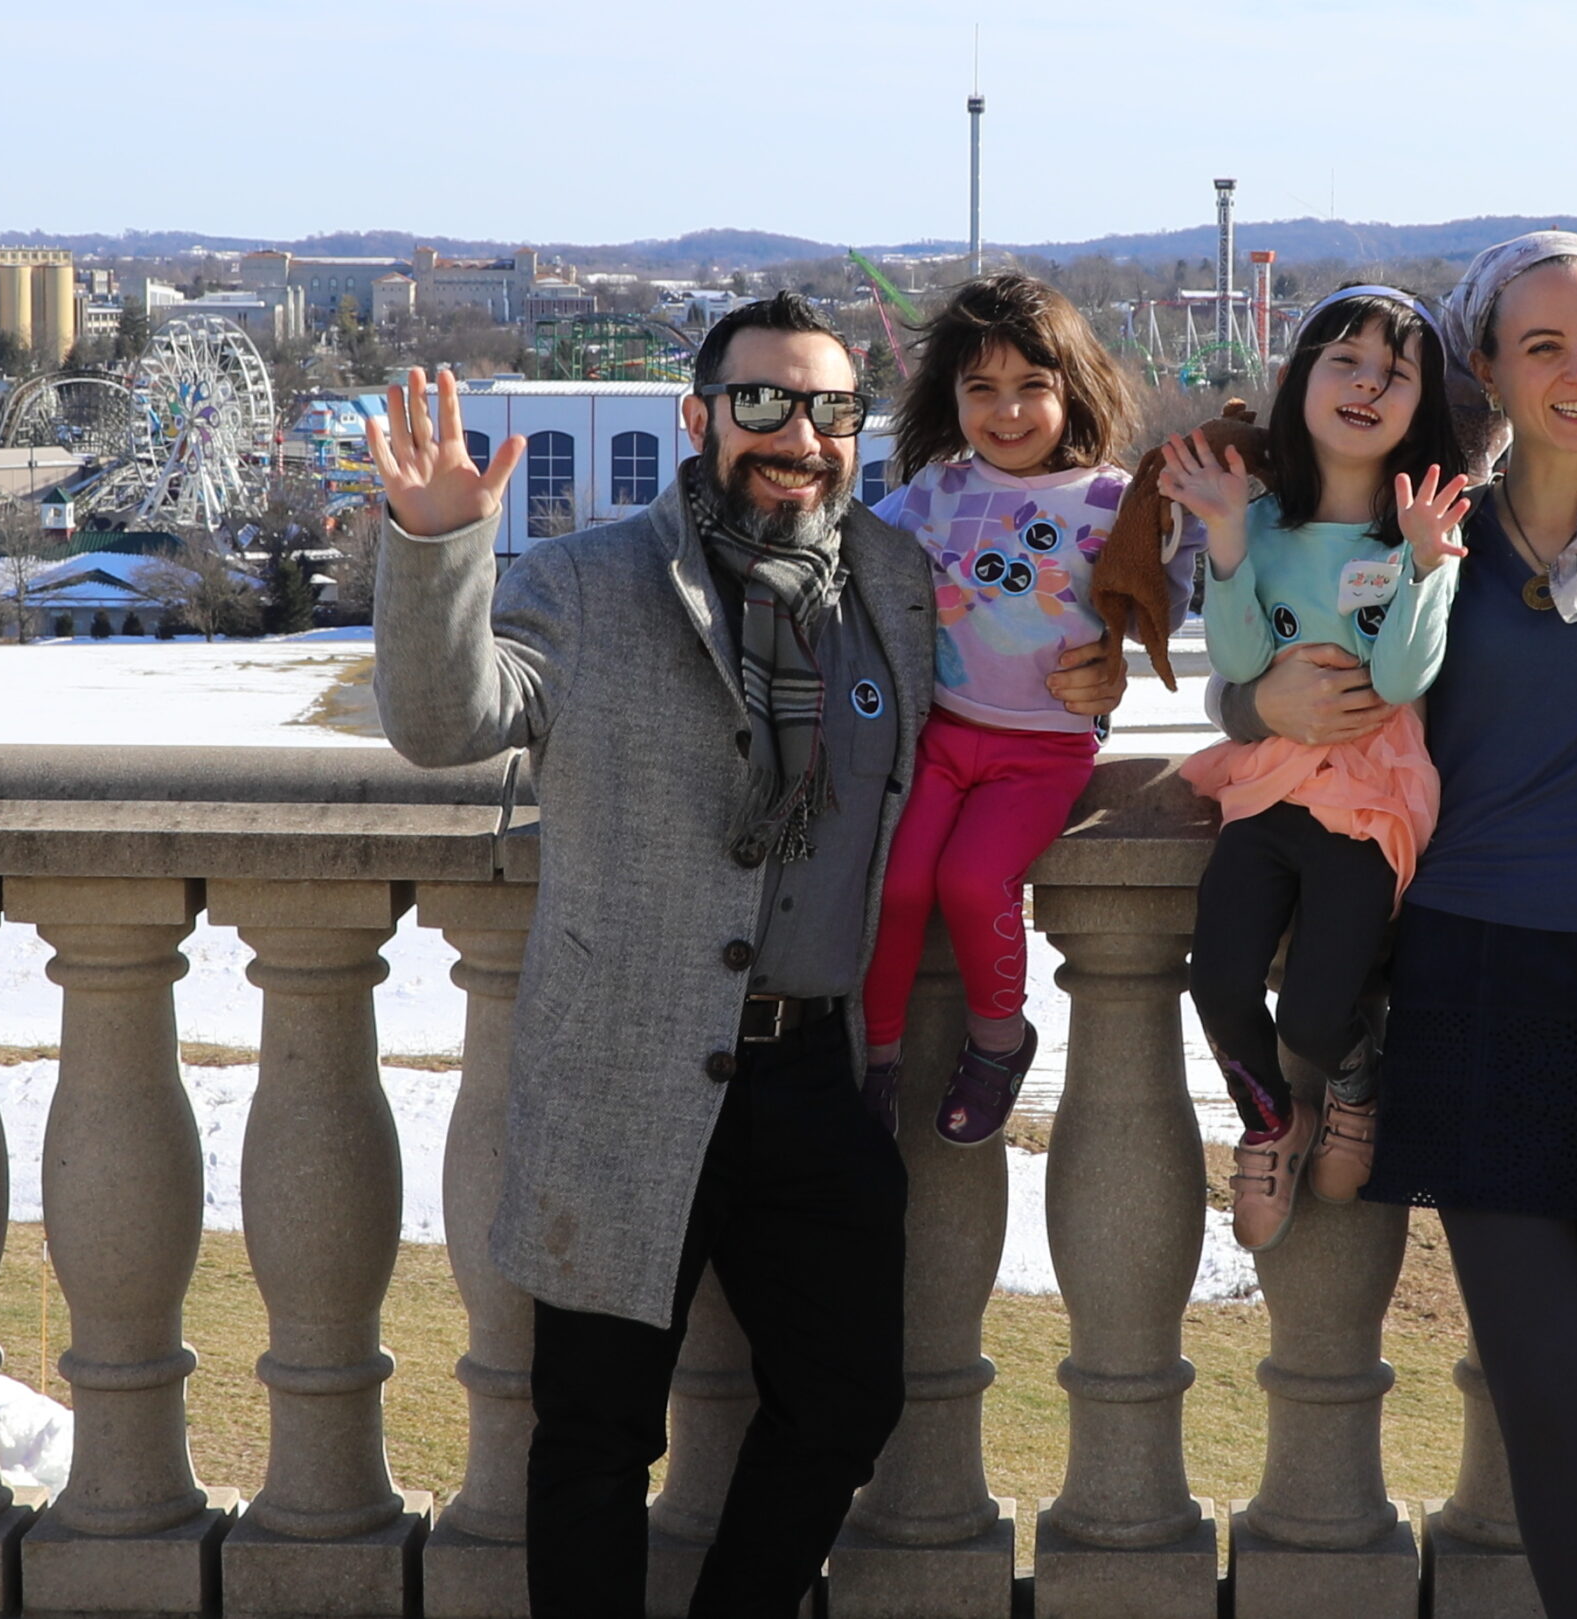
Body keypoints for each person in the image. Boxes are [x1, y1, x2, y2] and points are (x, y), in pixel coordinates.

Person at [369, 292, 1124, 1616]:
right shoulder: (591, 580)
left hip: (812, 1074)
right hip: (620, 1074)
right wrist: (437, 549)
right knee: (597, 1433)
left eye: (828, 408)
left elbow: (1027, 648)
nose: (800, 435)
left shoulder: (893, 577)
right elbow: (449, 721)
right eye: (766, 402)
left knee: (847, 1399)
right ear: (699, 417)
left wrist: (1096, 668)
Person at [1215, 234, 1577, 1619]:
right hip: (1470, 985)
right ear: (1486, 366)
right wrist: (1259, 711)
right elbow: (1269, 686)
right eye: (1542, 344)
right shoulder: (1429, 536)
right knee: (1543, 1400)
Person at [1159, 285, 1470, 1250]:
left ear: (1424, 407)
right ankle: (1267, 1122)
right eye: (1345, 360)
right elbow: (1244, 662)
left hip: (1370, 797)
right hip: (1267, 786)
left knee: (1315, 1008)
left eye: (1396, 371)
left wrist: (1421, 569)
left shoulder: (1423, 531)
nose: (1369, 382)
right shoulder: (1266, 526)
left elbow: (1402, 674)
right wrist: (1224, 539)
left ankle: (1352, 1077)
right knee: (1216, 982)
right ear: (1299, 383)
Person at [861, 270, 1198, 1143]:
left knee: (974, 883)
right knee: (896, 887)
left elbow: (1171, 592)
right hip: (937, 735)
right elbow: (845, 556)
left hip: (1044, 748)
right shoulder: (934, 492)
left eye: (1030, 387)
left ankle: (998, 1042)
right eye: (982, 389)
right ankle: (876, 1061)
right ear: (952, 396)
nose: (1006, 412)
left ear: (1070, 388)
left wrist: (1203, 517)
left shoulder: (1112, 501)